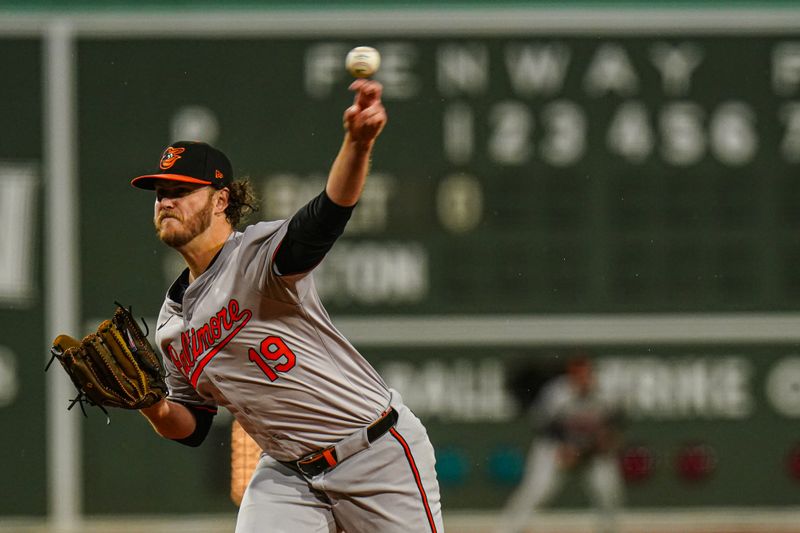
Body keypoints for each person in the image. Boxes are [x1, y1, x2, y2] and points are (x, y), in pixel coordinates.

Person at [130, 79, 444, 533]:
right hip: (288, 473)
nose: (165, 201)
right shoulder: (170, 325)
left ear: (221, 200)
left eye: (180, 190)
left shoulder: (256, 259)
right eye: (160, 193)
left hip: (374, 452)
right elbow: (194, 425)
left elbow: (328, 213)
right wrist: (152, 406)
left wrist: (357, 143)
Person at [497, 355, 624, 533]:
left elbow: (617, 420)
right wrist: (564, 446)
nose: (583, 379)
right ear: (570, 376)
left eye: (586, 374)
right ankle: (507, 529)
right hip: (555, 448)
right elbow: (542, 425)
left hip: (591, 451)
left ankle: (609, 529)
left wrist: (608, 437)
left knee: (607, 489)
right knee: (537, 489)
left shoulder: (606, 393)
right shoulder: (557, 393)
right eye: (578, 375)